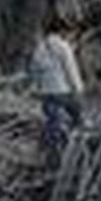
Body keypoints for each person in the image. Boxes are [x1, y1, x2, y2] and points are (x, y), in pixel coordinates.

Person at [29, 16, 85, 168]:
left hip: (47, 93)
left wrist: (37, 88)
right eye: (67, 31)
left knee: (53, 124)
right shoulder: (63, 46)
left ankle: (53, 159)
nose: (68, 34)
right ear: (61, 30)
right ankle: (78, 153)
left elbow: (34, 70)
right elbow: (71, 70)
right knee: (79, 120)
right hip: (63, 92)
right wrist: (78, 90)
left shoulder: (40, 47)